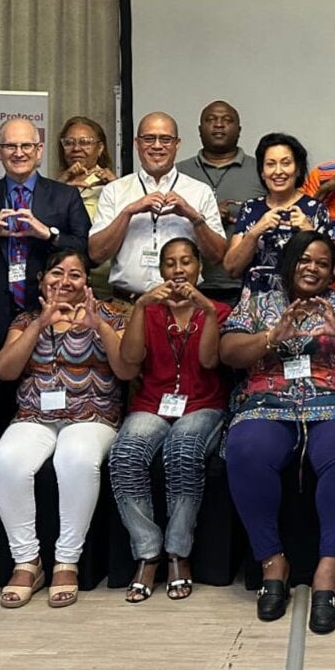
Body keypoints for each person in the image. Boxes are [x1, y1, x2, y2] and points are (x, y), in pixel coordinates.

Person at [219, 231, 335, 634]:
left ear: (331, 270)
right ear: (290, 262)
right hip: (267, 400)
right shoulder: (259, 302)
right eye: (304, 260)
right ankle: (272, 563)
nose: (312, 268)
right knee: (246, 448)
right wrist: (269, 338)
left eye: (322, 262)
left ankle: (328, 573)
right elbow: (227, 352)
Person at [0, 249, 129, 609]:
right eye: (56, 273)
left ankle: (67, 561)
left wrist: (99, 327)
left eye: (75, 274)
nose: (65, 281)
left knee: (76, 458)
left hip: (93, 413)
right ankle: (27, 562)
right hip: (35, 414)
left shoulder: (110, 315)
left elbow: (127, 370)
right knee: (6, 460)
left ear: (87, 283)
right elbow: (4, 370)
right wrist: (39, 325)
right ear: (42, 280)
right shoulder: (26, 319)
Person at [109, 237, 230, 604]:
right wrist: (140, 306)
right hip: (152, 403)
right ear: (160, 270)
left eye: (186, 262)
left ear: (199, 267)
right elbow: (130, 361)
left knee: (183, 448)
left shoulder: (219, 310)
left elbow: (209, 361)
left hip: (203, 403)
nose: (178, 270)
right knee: (125, 453)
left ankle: (178, 552)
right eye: (170, 263)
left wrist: (207, 311)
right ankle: (148, 552)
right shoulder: (148, 310)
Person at [0, 117, 91, 340]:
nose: (19, 153)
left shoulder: (65, 196)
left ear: (39, 150)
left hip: (53, 309)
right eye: (10, 146)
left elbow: (87, 251)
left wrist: (49, 234)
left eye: (26, 146)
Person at [89, 112, 226, 306]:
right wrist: (128, 212)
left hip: (183, 306)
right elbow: (96, 254)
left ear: (177, 144)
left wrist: (193, 216)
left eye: (165, 139)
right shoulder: (115, 190)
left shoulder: (200, 191)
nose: (157, 146)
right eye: (148, 139)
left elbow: (218, 255)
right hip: (127, 305)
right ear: (136, 143)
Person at [177, 101, 267, 304]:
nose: (219, 124)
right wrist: (208, 217)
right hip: (187, 288)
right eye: (211, 120)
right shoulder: (179, 172)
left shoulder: (261, 171)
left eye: (227, 120)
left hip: (247, 288)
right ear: (200, 130)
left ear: (239, 130)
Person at [224, 133, 332, 300]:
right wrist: (255, 231)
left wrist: (308, 231)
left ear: (298, 169)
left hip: (301, 303)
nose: (278, 171)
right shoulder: (250, 209)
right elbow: (231, 269)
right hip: (256, 304)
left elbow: (332, 271)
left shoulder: (315, 210)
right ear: (262, 172)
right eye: (270, 164)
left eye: (286, 163)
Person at [55, 116, 116, 299]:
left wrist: (118, 187)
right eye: (69, 143)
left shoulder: (114, 185)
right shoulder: (53, 186)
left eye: (85, 142)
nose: (76, 148)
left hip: (103, 280)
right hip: (62, 281)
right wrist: (60, 187)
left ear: (100, 148)